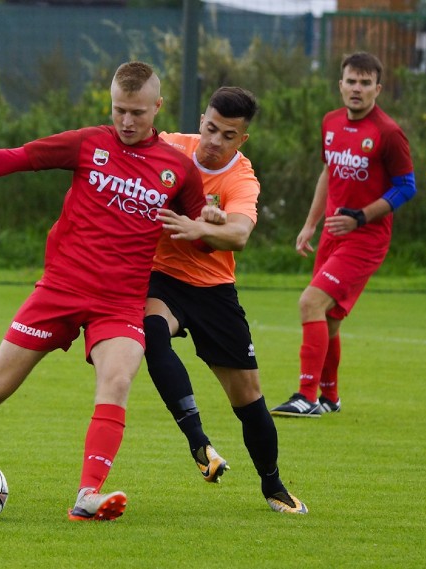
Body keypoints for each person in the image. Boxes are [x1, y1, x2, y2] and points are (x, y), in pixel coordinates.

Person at [0, 61, 207, 521]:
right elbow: (15, 158)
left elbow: (200, 232)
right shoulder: (87, 143)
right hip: (61, 288)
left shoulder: (178, 169)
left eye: (137, 112)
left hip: (120, 302)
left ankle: (87, 495)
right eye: (119, 110)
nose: (126, 121)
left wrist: (206, 226)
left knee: (118, 380)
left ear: (157, 107)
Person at [144, 87, 307, 514]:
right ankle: (200, 445)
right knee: (151, 332)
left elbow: (238, 234)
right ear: (201, 121)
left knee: (249, 399)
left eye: (228, 135)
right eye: (211, 129)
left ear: (242, 139)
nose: (216, 141)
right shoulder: (169, 148)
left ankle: (273, 486)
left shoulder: (241, 178)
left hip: (214, 291)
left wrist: (203, 229)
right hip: (162, 279)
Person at [271, 52, 416, 418]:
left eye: (365, 83)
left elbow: (406, 187)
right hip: (334, 234)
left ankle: (306, 396)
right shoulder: (331, 122)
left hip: (366, 238)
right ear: (341, 85)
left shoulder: (388, 132)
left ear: (377, 89)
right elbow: (328, 173)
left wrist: (361, 218)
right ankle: (330, 397)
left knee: (310, 303)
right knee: (329, 318)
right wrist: (310, 224)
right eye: (351, 81)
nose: (357, 89)